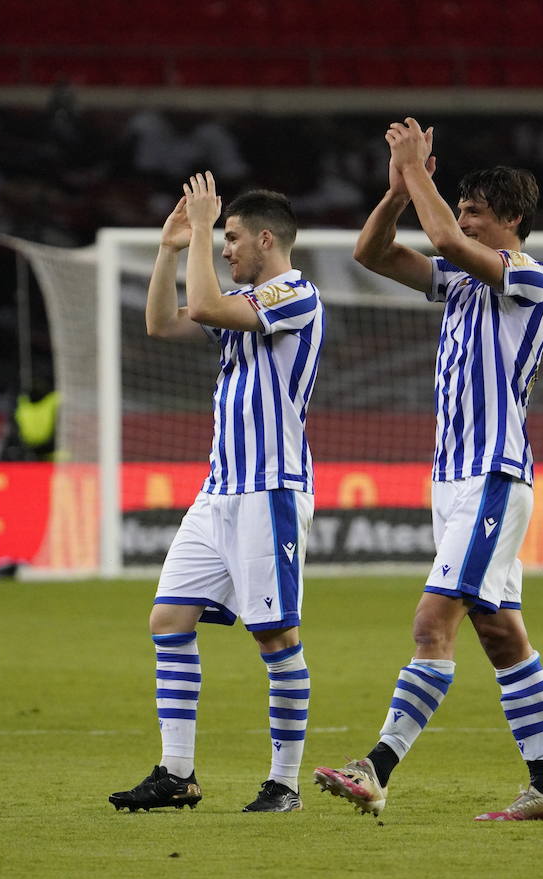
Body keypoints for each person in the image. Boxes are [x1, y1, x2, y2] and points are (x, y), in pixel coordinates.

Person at [313, 118, 543, 822]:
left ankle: (376, 767)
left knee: (432, 622)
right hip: (453, 480)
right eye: (459, 206)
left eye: (475, 209)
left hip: (494, 474)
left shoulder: (531, 279)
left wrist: (414, 170)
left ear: (511, 219)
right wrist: (399, 190)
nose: (462, 219)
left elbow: (448, 241)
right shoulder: (459, 280)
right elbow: (371, 252)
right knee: (501, 634)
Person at [109, 172, 324, 814]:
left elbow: (202, 308)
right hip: (219, 490)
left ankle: (284, 783)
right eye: (221, 238)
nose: (225, 249)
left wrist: (201, 227)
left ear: (266, 240)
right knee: (169, 621)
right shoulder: (243, 301)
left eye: (232, 238)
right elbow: (161, 323)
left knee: (275, 638)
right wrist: (170, 248)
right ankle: (177, 774)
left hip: (270, 490)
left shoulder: (295, 294)